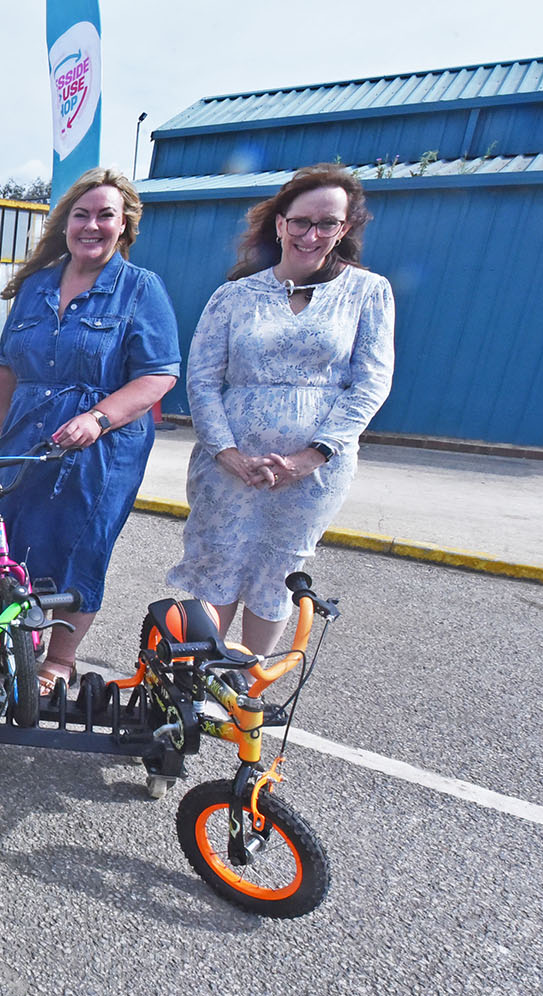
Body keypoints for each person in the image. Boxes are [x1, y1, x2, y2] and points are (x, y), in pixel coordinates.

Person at [167, 164, 394, 656]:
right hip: (227, 467)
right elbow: (202, 380)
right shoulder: (233, 296)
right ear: (279, 223)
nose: (311, 235)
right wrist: (228, 454)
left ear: (345, 228)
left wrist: (309, 458)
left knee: (275, 573)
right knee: (217, 566)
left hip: (312, 474)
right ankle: (202, 678)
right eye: (301, 221)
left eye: (327, 223)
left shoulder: (368, 292)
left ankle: (248, 689)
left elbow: (371, 383)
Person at [0, 168, 181, 692]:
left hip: (102, 450)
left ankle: (60, 659)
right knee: (14, 539)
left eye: (105, 215)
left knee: (79, 546)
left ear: (125, 226)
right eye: (81, 214)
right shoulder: (36, 286)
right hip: (26, 438)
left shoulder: (140, 289)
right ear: (66, 222)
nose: (91, 225)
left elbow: (159, 374)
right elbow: (8, 368)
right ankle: (14, 637)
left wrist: (98, 419)